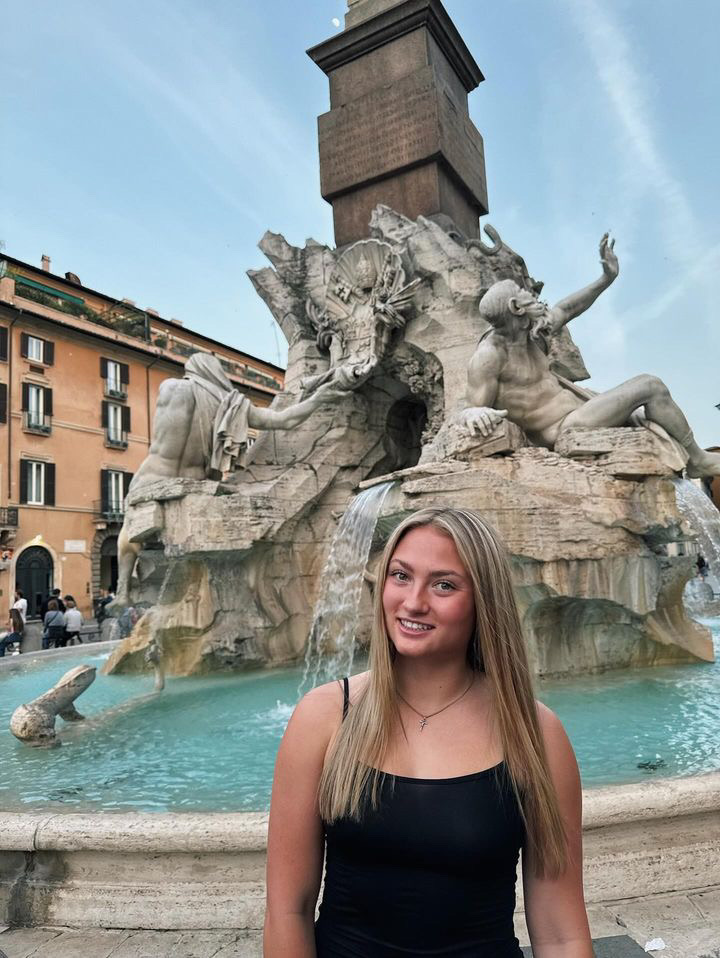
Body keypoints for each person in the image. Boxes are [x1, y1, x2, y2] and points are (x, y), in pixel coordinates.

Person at [265, 507, 592, 957]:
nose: (414, 601)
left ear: (483, 601)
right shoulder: (323, 717)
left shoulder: (536, 734)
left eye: (444, 584)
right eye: (400, 576)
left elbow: (561, 932)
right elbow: (288, 909)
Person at [112, 352, 374, 608]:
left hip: (153, 476)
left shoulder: (172, 388)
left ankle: (123, 591)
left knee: (129, 534)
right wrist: (319, 397)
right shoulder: (231, 404)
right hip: (197, 482)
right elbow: (284, 419)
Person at [462, 234, 720, 478]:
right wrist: (471, 414)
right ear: (516, 308)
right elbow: (472, 408)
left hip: (582, 409)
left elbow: (568, 308)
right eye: (524, 293)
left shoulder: (531, 332)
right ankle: (698, 460)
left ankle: (693, 457)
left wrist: (605, 278)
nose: (532, 294)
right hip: (563, 429)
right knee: (650, 385)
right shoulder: (490, 356)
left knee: (648, 409)